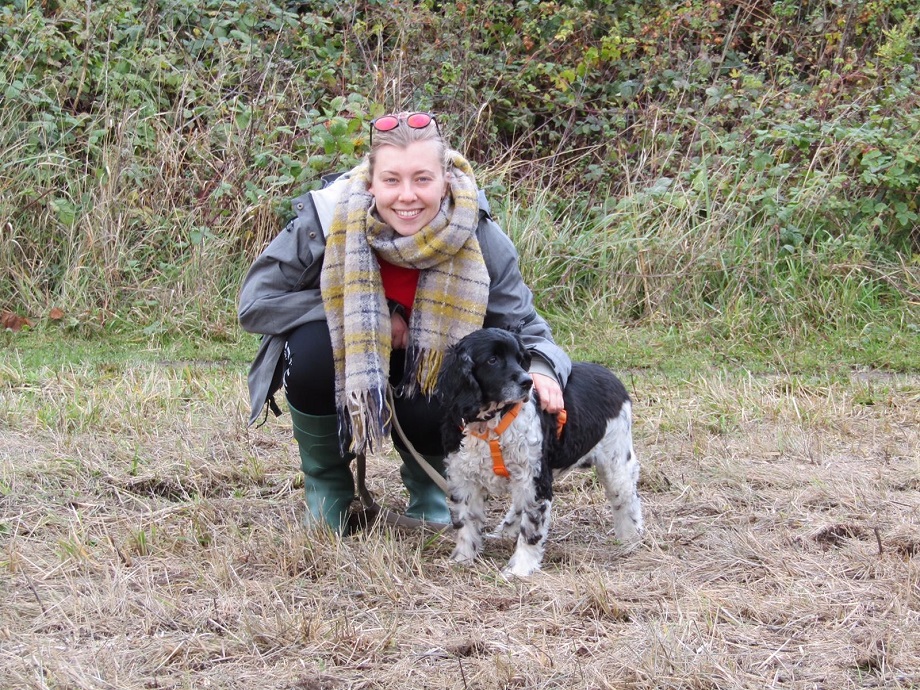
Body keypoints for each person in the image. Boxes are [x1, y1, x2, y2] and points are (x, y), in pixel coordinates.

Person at [238, 111, 571, 533]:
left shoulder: (480, 235)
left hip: (427, 368)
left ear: (446, 179)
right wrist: (379, 316)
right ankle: (328, 489)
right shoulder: (325, 221)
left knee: (457, 366)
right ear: (370, 180)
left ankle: (432, 489)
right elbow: (256, 304)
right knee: (310, 350)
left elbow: (529, 329)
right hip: (349, 356)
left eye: (422, 179)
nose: (407, 196)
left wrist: (542, 369)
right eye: (392, 180)